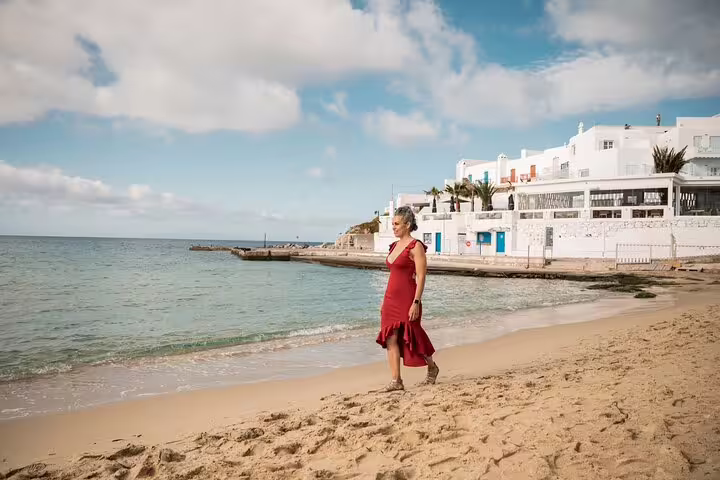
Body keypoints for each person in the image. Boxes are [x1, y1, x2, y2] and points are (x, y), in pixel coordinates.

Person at [376, 206, 439, 392]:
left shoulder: (416, 246)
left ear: (407, 224)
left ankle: (432, 367)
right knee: (391, 339)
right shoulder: (394, 246)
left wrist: (416, 302)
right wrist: (383, 301)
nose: (393, 227)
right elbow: (393, 276)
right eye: (392, 224)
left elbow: (421, 276)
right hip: (390, 299)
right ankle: (396, 381)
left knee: (414, 334)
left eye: (396, 224)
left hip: (408, 299)